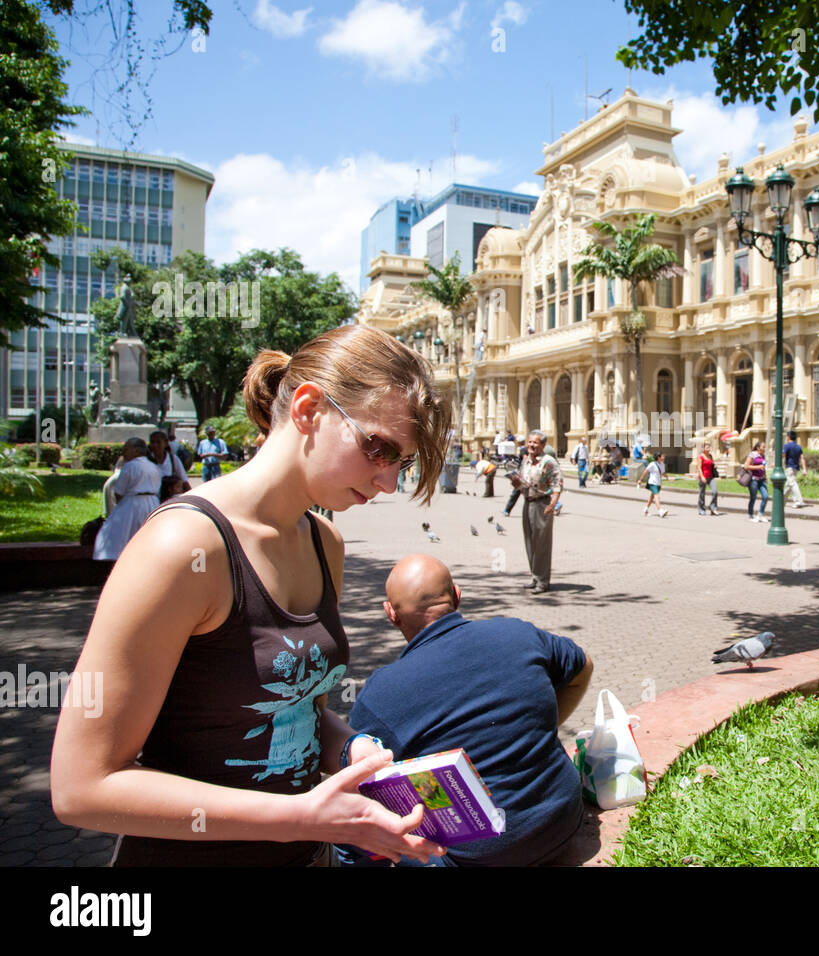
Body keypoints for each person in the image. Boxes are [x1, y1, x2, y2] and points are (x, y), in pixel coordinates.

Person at [52, 324, 452, 867]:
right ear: (310, 409)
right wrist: (302, 818)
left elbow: (297, 711)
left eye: (399, 463)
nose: (386, 483)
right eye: (377, 448)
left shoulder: (324, 542)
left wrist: (353, 751)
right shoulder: (182, 547)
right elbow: (82, 787)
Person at [336, 556, 593, 867]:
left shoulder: (380, 693)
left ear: (391, 614)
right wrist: (539, 729)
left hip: (474, 858)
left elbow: (360, 781)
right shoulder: (516, 633)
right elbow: (583, 667)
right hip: (562, 823)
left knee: (346, 830)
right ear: (457, 595)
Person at [510, 429, 563, 594]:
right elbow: (523, 482)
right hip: (528, 502)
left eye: (536, 443)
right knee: (530, 541)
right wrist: (515, 482)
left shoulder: (549, 462)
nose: (532, 445)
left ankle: (543, 581)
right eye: (530, 442)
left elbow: (557, 484)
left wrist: (552, 505)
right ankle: (535, 576)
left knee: (542, 544)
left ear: (543, 445)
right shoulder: (525, 460)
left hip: (542, 505)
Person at [92, 437, 162, 561]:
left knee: (121, 536)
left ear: (136, 451)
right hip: (153, 504)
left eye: (126, 449)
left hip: (133, 504)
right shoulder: (154, 467)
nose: (123, 452)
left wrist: (122, 508)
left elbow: (119, 492)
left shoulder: (130, 466)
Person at [742, 440, 769, 523]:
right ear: (758, 448)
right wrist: (758, 467)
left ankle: (760, 515)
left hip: (762, 479)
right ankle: (750, 515)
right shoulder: (752, 454)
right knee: (753, 497)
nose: (764, 448)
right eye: (763, 447)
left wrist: (766, 477)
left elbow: (763, 467)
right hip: (753, 479)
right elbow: (746, 466)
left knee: (765, 496)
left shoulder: (763, 455)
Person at [783, 430, 809, 508]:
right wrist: (804, 469)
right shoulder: (798, 446)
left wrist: (775, 463)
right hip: (796, 468)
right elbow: (802, 458)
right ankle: (781, 501)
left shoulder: (787, 446)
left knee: (792, 483)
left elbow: (783, 455)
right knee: (788, 485)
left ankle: (799, 501)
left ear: (788, 437)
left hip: (789, 467)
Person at [639, 451, 668, 517]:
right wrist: (640, 480)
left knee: (652, 497)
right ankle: (660, 511)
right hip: (652, 483)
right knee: (657, 496)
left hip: (658, 483)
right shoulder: (652, 464)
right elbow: (645, 472)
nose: (663, 457)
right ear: (658, 457)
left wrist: (668, 478)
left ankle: (646, 509)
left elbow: (663, 473)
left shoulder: (662, 464)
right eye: (662, 456)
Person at [697, 444, 720, 515]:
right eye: (707, 447)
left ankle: (712, 507)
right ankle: (701, 509)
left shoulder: (710, 456)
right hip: (703, 476)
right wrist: (702, 476)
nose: (709, 448)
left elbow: (712, 464)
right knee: (702, 493)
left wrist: (715, 465)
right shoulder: (700, 456)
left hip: (711, 477)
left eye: (709, 447)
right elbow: (699, 467)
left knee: (715, 491)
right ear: (703, 448)